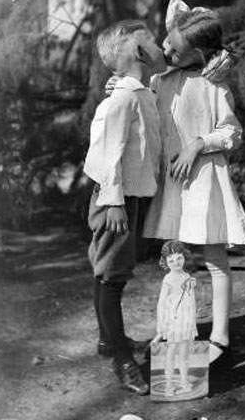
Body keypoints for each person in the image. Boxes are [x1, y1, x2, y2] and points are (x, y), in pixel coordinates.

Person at [143, 0, 245, 365]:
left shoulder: (213, 85)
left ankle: (220, 335)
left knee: (214, 257)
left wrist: (198, 144)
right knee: (175, 257)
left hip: (204, 179)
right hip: (172, 184)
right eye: (167, 41)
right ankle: (176, 327)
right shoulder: (160, 81)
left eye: (176, 48)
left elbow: (232, 133)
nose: (166, 49)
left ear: (200, 53)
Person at [84, 20, 166, 395]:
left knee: (109, 271)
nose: (160, 45)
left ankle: (107, 340)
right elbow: (109, 154)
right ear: (137, 52)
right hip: (114, 197)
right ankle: (121, 359)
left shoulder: (138, 91)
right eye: (151, 40)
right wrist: (113, 202)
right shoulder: (124, 98)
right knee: (112, 277)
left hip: (127, 195)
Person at [152, 240, 197, 396]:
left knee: (184, 354)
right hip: (173, 320)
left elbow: (191, 300)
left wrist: (192, 320)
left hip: (186, 320)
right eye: (171, 260)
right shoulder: (168, 280)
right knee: (171, 353)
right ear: (165, 262)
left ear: (184, 257)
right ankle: (169, 385)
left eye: (179, 258)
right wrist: (161, 324)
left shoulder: (187, 276)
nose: (176, 263)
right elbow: (161, 303)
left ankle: (184, 382)